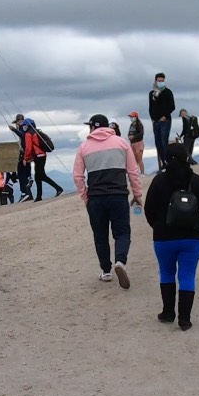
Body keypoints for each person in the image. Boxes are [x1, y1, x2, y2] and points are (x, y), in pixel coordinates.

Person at [143, 143, 199, 330]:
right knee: (187, 275)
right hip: (192, 238)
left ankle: (168, 312)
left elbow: (149, 210)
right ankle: (185, 319)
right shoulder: (197, 181)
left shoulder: (158, 181)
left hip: (163, 237)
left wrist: (158, 227)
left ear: (165, 159)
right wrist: (198, 226)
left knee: (166, 273)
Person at [73, 113, 144, 289]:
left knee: (100, 235)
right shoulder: (121, 143)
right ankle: (120, 261)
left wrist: (85, 197)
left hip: (96, 198)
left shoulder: (84, 147)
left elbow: (78, 176)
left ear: (92, 127)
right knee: (122, 233)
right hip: (118, 195)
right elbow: (133, 172)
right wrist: (137, 194)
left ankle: (106, 271)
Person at [21, 118, 64, 200]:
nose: (23, 127)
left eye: (24, 125)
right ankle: (39, 196)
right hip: (42, 155)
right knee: (38, 176)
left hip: (37, 156)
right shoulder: (36, 132)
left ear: (28, 125)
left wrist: (25, 158)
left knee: (41, 176)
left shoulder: (28, 134)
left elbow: (28, 148)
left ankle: (58, 189)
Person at [148, 72, 176, 171]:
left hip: (165, 120)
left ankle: (168, 161)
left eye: (162, 81)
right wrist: (153, 118)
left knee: (164, 141)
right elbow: (151, 107)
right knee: (158, 142)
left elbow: (172, 106)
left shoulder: (168, 92)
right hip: (155, 121)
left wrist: (165, 116)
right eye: (159, 81)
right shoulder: (152, 94)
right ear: (155, 81)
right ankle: (163, 162)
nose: (161, 82)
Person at [9, 114, 33, 202]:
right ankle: (29, 180)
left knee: (21, 172)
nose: (17, 124)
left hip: (24, 153)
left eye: (17, 122)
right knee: (24, 171)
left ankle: (24, 193)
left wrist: (14, 130)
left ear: (20, 120)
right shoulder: (27, 128)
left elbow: (23, 136)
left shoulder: (23, 128)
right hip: (26, 153)